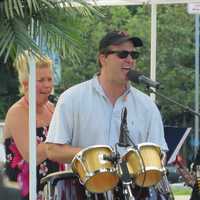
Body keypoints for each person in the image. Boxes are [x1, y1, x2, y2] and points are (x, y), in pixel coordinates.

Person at [46, 30, 169, 199]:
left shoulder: (147, 106)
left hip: (136, 192)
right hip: (85, 191)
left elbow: (160, 155)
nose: (130, 60)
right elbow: (53, 150)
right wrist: (96, 157)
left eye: (134, 55)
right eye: (122, 54)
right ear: (103, 58)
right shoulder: (72, 98)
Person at [3, 52, 63, 200]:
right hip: (24, 192)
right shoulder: (17, 112)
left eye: (49, 79)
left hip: (54, 190)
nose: (47, 85)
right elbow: (32, 156)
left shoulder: (52, 108)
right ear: (25, 83)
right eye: (41, 80)